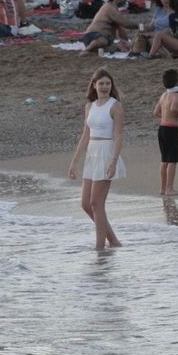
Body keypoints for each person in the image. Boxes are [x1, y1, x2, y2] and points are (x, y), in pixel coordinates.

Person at [66, 69, 126, 250]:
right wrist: (74, 162)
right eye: (101, 83)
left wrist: (114, 161)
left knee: (96, 203)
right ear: (94, 85)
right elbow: (85, 135)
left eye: (108, 83)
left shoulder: (115, 106)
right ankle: (113, 241)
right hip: (92, 152)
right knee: (86, 204)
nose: (105, 86)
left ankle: (100, 247)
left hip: (106, 152)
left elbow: (119, 135)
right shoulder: (89, 106)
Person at [152, 68, 178, 196]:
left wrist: (164, 117)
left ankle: (162, 188)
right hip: (171, 129)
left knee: (164, 159)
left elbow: (156, 112)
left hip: (162, 128)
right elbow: (174, 108)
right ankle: (170, 188)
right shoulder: (176, 95)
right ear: (177, 82)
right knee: (172, 160)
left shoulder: (163, 95)